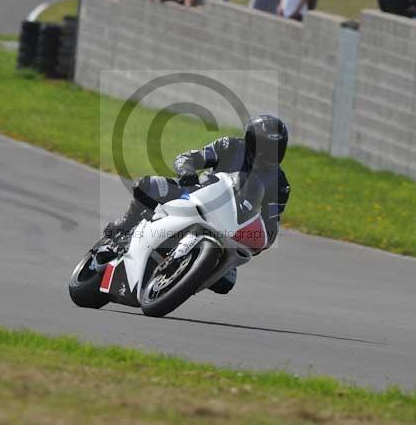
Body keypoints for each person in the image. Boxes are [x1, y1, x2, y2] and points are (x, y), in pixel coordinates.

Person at [105, 114, 291, 295]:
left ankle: (186, 275)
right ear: (251, 141)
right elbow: (191, 157)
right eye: (264, 147)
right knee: (148, 186)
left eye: (275, 148)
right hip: (197, 193)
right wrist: (187, 170)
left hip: (230, 227)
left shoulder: (280, 184)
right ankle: (126, 225)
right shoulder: (231, 146)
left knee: (226, 283)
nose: (268, 154)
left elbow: (270, 225)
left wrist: (256, 240)